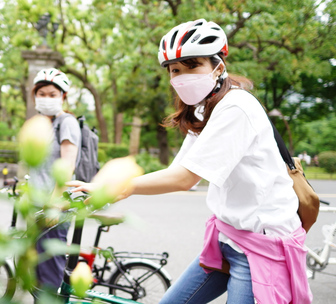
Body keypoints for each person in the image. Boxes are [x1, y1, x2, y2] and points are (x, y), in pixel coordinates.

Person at [68, 19, 311, 304]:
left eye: (192, 66)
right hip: (226, 239)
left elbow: (185, 178)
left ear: (218, 67)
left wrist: (124, 186)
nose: (182, 76)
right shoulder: (204, 109)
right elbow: (178, 171)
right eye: (175, 70)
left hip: (260, 246)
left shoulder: (237, 107)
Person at [29, 68, 81, 301]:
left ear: (63, 96)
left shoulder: (66, 122)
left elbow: (67, 165)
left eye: (52, 94)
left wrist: (55, 203)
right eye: (42, 93)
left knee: (49, 272)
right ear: (34, 95)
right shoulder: (40, 123)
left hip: (54, 207)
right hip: (37, 206)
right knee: (37, 272)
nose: (47, 98)